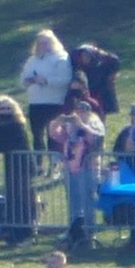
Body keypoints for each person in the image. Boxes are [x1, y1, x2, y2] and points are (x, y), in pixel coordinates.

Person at [48, 101, 104, 244]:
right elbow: (54, 135)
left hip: (89, 167)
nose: (79, 113)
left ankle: (90, 231)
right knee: (73, 200)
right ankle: (74, 228)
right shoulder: (70, 126)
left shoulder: (95, 123)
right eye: (77, 110)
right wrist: (57, 122)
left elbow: (95, 140)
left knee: (88, 199)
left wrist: (81, 125)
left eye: (83, 110)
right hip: (71, 168)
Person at [0, 95, 36, 244]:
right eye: (1, 108)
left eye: (8, 108)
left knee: (23, 199)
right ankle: (13, 231)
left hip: (23, 164)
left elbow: (13, 144)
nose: (5, 111)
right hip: (10, 165)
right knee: (12, 198)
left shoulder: (17, 124)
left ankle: (26, 232)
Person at [20, 30, 73, 158]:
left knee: (53, 135)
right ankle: (39, 164)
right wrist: (29, 80)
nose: (43, 46)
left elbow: (65, 79)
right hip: (35, 103)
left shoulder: (61, 58)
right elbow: (23, 78)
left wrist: (45, 81)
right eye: (40, 43)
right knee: (37, 135)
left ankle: (54, 165)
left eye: (46, 43)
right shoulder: (32, 60)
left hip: (54, 102)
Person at [69, 43, 120, 116]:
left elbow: (114, 60)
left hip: (101, 92)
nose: (85, 58)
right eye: (83, 55)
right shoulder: (78, 67)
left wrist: (99, 52)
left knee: (100, 112)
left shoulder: (101, 64)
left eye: (87, 55)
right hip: (87, 93)